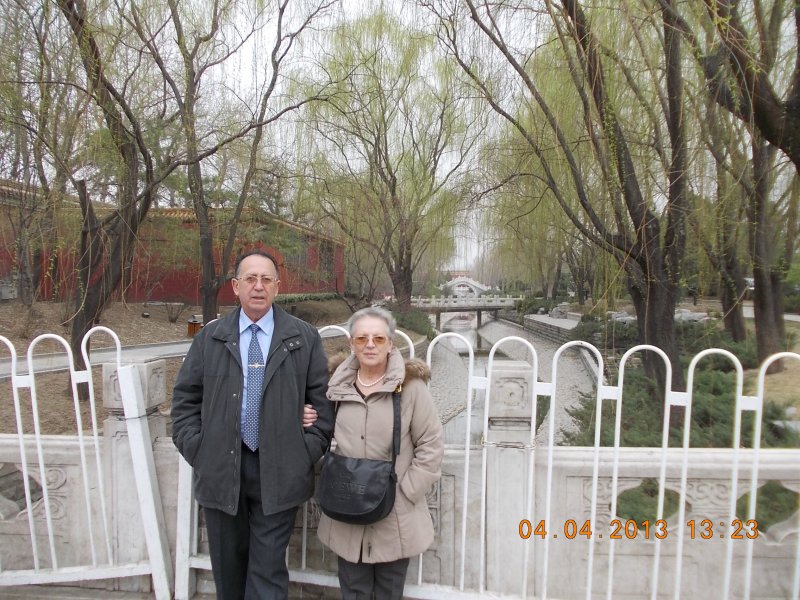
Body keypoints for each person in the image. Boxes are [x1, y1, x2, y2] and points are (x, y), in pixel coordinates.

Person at [171, 249, 333, 600]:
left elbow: (322, 407)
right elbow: (184, 402)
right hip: (220, 468)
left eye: (265, 280)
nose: (258, 287)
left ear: (277, 286)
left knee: (268, 572)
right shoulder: (211, 338)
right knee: (228, 571)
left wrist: (304, 451)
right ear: (235, 286)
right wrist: (200, 450)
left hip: (280, 469)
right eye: (250, 279)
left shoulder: (303, 338)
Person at [317, 306, 443, 599]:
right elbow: (322, 433)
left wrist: (406, 491)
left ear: (391, 343)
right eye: (361, 339)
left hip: (395, 515)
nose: (370, 345)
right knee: (353, 591)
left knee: (388, 592)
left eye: (378, 338)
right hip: (346, 509)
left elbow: (431, 443)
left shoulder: (410, 388)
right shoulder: (337, 386)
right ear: (351, 344)